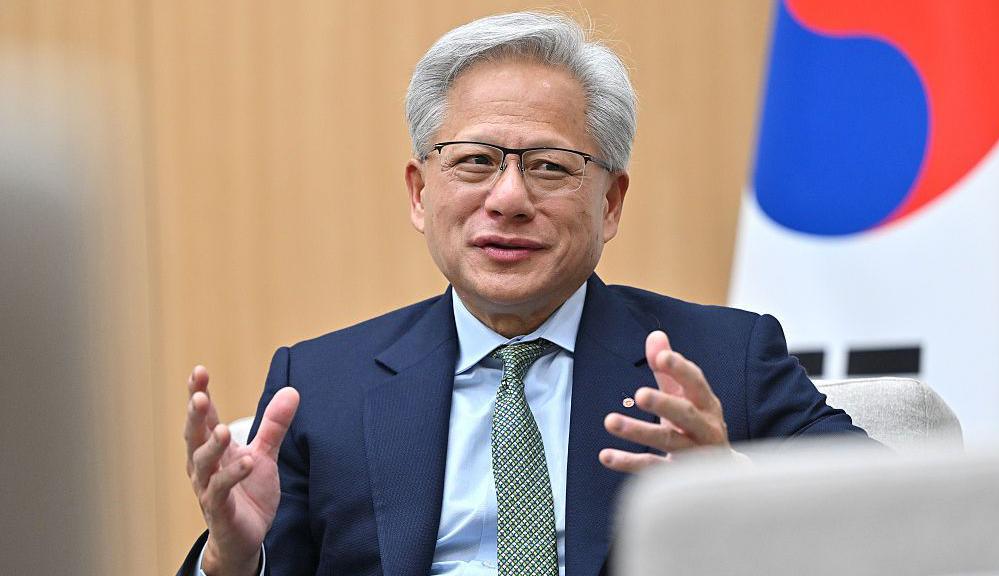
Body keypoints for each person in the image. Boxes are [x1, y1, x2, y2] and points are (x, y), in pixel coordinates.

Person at [179, 11, 866, 576]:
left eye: (549, 166)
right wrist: (233, 560)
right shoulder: (321, 385)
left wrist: (734, 484)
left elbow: (897, 517)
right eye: (475, 161)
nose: (508, 199)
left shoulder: (723, 359)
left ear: (611, 203)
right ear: (421, 193)